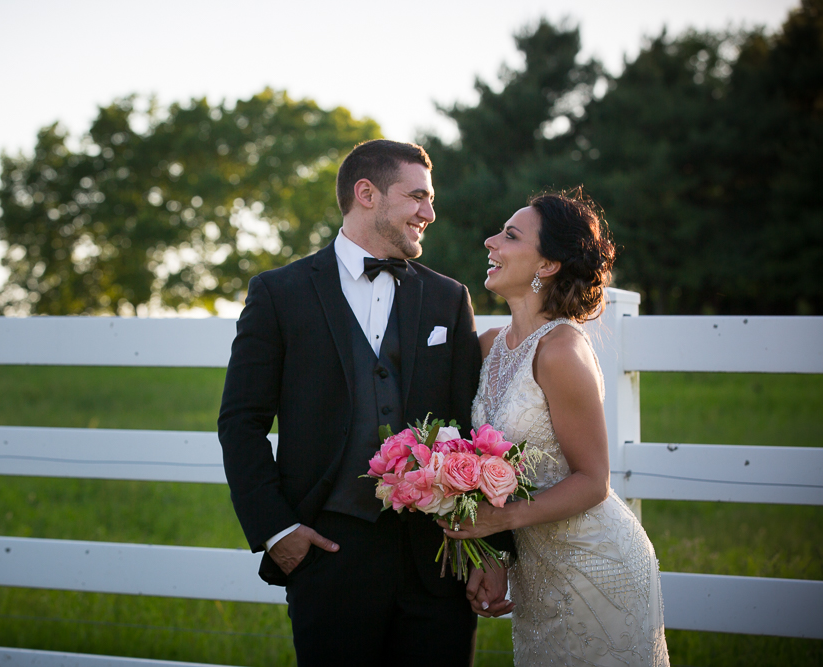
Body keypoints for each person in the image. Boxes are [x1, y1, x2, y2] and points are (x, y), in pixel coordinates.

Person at [218, 139, 515, 666]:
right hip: (328, 556)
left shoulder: (449, 297)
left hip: (438, 558)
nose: (430, 212)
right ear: (367, 194)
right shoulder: (278, 293)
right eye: (417, 197)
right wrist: (276, 531)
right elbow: (240, 423)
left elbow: (477, 426)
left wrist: (489, 549)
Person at [441, 189, 670, 666]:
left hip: (595, 563)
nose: (490, 241)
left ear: (546, 265)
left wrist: (502, 521)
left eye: (509, 235)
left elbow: (592, 481)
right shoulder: (487, 347)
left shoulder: (562, 351)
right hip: (536, 570)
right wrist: (494, 556)